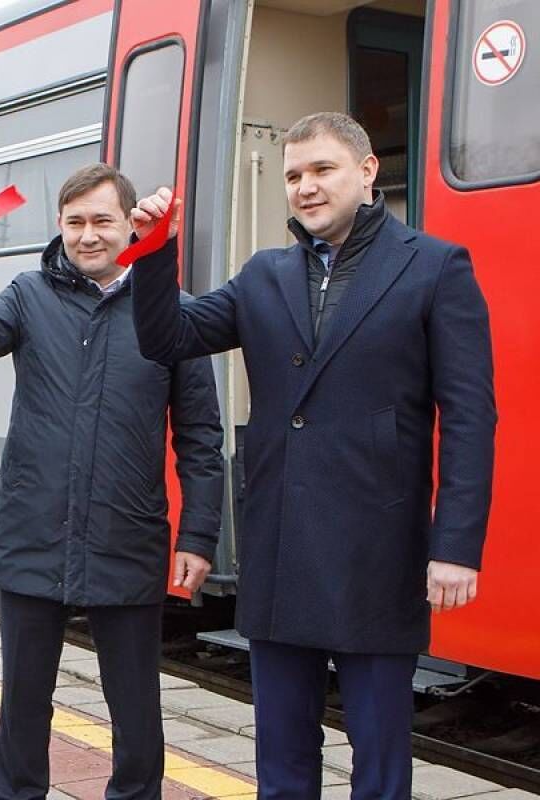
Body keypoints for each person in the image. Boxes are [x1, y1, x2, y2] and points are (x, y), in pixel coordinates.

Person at [130, 112, 496, 799]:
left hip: (379, 549)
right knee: (282, 753)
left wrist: (456, 545)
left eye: (322, 170)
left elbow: (472, 415)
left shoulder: (435, 266)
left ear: (365, 173)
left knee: (380, 754)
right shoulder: (263, 275)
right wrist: (154, 252)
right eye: (293, 174)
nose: (304, 186)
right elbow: (166, 335)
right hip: (280, 545)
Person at [0, 163, 224, 800]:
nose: (88, 235)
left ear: (131, 224)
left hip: (126, 535)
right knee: (24, 705)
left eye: (102, 221)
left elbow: (201, 438)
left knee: (136, 708)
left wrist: (197, 536)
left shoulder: (172, 312)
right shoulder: (30, 295)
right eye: (75, 222)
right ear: (60, 226)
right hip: (34, 533)